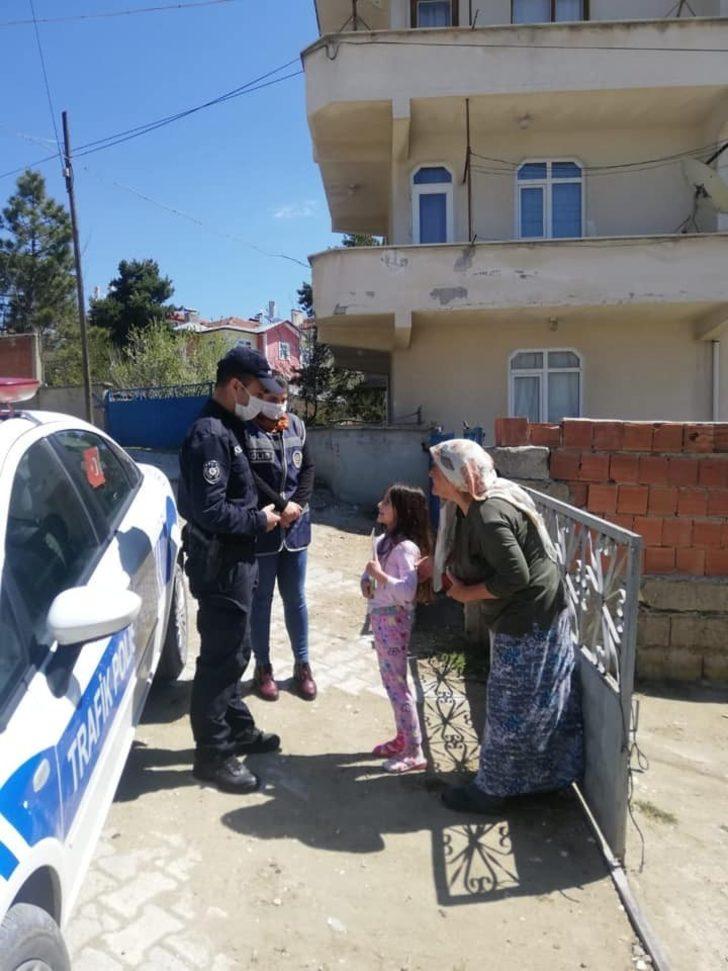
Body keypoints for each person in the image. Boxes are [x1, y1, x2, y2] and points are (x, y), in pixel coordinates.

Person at [429, 439, 583, 814]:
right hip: (531, 611)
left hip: (530, 615)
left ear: (456, 477)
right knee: (538, 701)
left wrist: (467, 594)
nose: (431, 474)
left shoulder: (488, 513)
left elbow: (516, 575)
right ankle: (546, 780)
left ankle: (494, 791)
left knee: (509, 706)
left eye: (437, 468)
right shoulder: (469, 506)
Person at [178, 346, 283, 794]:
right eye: (260, 391)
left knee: (237, 652)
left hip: (236, 562)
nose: (265, 400)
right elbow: (212, 511)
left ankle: (237, 729)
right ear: (236, 386)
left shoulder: (229, 428)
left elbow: (245, 484)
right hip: (221, 565)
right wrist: (260, 520)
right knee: (220, 661)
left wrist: (277, 504)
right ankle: (213, 754)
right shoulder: (209, 436)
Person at [243, 373, 317, 701]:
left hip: (296, 527)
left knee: (295, 599)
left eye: (282, 400)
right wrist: (283, 507)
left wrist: (297, 505)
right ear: (259, 399)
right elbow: (249, 478)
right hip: (265, 528)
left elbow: (309, 469)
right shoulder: (246, 429)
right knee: (261, 601)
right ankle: (263, 667)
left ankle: (303, 664)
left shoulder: (297, 426)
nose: (278, 406)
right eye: (271, 400)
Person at [361, 484, 432, 773]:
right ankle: (403, 738)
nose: (380, 505)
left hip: (394, 619)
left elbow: (406, 592)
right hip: (381, 616)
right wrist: (367, 584)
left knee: (398, 686)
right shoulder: (384, 541)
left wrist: (380, 577)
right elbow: (370, 578)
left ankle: (414, 749)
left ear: (401, 511)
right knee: (391, 683)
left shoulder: (405, 548)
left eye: (387, 502)